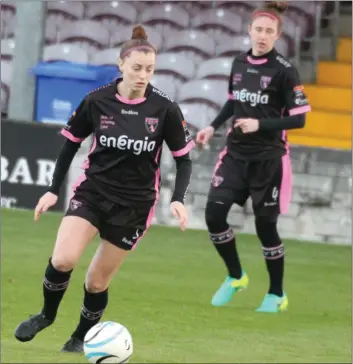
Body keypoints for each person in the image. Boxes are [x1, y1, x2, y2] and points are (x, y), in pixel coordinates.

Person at [14, 24, 195, 353]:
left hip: (135, 205)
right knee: (64, 258)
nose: (143, 75)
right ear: (121, 64)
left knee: (97, 281)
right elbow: (69, 146)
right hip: (93, 192)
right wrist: (53, 189)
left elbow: (184, 160)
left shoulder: (165, 109)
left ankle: (81, 336)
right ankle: (46, 315)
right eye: (137, 68)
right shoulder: (96, 101)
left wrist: (178, 199)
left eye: (150, 69)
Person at [196, 1, 311, 313]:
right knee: (214, 215)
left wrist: (261, 124)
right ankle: (236, 276)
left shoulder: (285, 71)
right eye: (258, 30)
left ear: (277, 36)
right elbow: (233, 103)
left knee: (265, 228)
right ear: (249, 31)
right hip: (235, 155)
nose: (262, 36)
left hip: (269, 161)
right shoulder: (238, 64)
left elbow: (299, 119)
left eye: (269, 32)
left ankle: (276, 294)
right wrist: (211, 126)